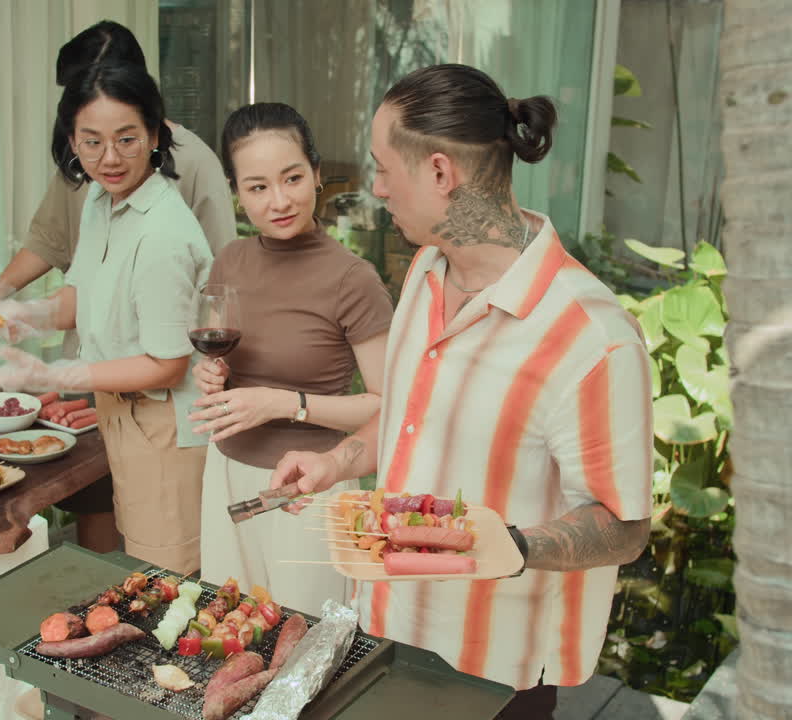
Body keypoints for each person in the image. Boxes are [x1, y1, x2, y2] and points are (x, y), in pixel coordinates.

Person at [268, 64, 653, 719]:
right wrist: (340, 460)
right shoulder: (426, 269)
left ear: (440, 173)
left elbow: (624, 526)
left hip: (493, 680)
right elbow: (413, 416)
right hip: (385, 630)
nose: (377, 188)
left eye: (384, 168)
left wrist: (515, 545)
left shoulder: (592, 338)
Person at [0, 60, 212, 576]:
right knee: (139, 558)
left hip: (162, 427)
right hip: (122, 411)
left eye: (127, 139)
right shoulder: (101, 197)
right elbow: (82, 294)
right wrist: (19, 315)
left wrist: (56, 375)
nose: (110, 158)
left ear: (155, 135)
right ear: (71, 139)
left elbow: (167, 365)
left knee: (169, 579)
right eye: (92, 141)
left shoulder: (163, 234)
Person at [186, 103, 393, 613]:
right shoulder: (231, 260)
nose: (279, 200)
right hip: (227, 468)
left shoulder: (353, 278)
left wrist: (285, 404)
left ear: (317, 175)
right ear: (237, 193)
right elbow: (236, 364)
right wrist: (213, 375)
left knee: (304, 643)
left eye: (292, 178)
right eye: (257, 187)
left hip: (310, 486)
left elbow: (388, 406)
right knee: (230, 622)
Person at [0, 20, 233, 343]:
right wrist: (0, 303)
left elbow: (221, 282)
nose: (110, 159)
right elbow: (57, 250)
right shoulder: (94, 186)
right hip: (92, 363)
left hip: (157, 367)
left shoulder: (183, 183)